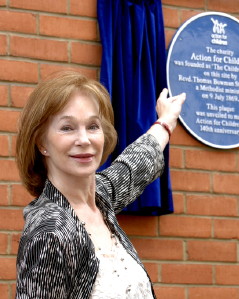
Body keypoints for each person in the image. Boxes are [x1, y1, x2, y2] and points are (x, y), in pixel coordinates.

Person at [15, 71, 186, 299]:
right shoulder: (49, 232)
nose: (84, 140)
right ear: (41, 142)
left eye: (93, 126)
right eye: (67, 128)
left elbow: (134, 166)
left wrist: (165, 120)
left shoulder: (99, 198)